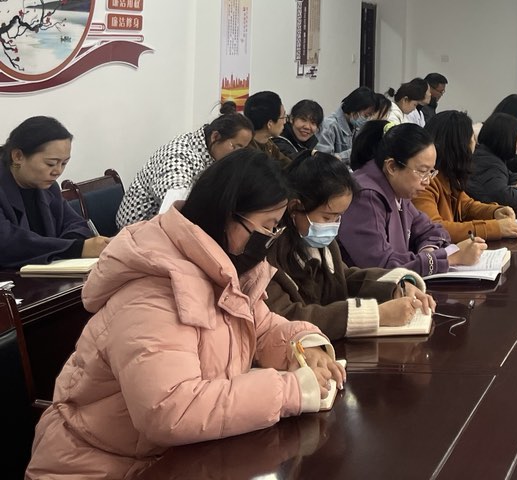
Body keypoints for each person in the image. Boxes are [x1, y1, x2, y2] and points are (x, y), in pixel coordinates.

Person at [26, 150, 346, 480]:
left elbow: (260, 325)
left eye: (275, 228)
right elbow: (170, 410)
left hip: (168, 460)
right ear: (226, 215)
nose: (269, 239)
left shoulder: (224, 267)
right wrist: (290, 391)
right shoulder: (152, 291)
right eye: (266, 227)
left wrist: (302, 344)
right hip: (97, 467)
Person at [264, 152, 435, 340]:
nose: (333, 225)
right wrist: (376, 315)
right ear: (294, 207)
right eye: (327, 217)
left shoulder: (323, 244)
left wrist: (397, 286)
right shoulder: (271, 254)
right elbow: (288, 316)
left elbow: (344, 278)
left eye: (338, 217)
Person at [339, 121, 484, 278]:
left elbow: (433, 230)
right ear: (392, 167)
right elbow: (382, 266)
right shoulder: (365, 197)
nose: (427, 181)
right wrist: (451, 258)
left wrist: (428, 250)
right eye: (422, 171)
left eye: (431, 172)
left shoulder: (398, 188)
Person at [0, 117, 109, 270]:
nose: (57, 171)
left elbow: (76, 224)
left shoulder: (47, 186)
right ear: (18, 156)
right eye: (50, 163)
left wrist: (70, 246)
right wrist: (75, 248)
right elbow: (7, 243)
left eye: (64, 163)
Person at [117, 113, 255, 228]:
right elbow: (175, 205)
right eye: (236, 147)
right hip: (136, 228)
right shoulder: (179, 156)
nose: (238, 155)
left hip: (160, 224)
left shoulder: (207, 149)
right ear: (215, 137)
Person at [413, 111, 517, 241]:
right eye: (472, 139)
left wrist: (495, 212)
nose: (475, 145)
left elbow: (467, 206)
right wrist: (495, 228)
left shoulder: (448, 176)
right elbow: (434, 229)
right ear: (460, 145)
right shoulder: (425, 182)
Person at [468, 114, 517, 207]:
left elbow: (514, 177)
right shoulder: (490, 163)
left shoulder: (488, 156)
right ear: (508, 138)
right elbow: (503, 198)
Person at [315, 86, 380, 163]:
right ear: (355, 109)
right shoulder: (329, 125)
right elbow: (323, 160)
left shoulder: (355, 126)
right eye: (366, 115)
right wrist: (353, 153)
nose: (368, 119)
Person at [245, 91, 293, 166]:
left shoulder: (268, 144)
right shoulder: (249, 152)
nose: (284, 122)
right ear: (270, 124)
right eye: (283, 117)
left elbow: (289, 166)